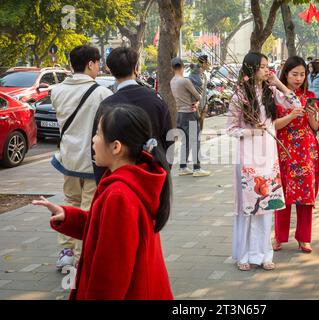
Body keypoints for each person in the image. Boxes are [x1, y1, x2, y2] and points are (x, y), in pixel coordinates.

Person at [34, 105, 173, 300]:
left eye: (98, 134)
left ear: (116, 147)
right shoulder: (133, 180)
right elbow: (104, 231)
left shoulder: (119, 195)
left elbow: (110, 274)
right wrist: (69, 216)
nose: (93, 140)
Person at [50, 45, 113, 270]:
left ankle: (65, 251)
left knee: (68, 203)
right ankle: (80, 257)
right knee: (88, 210)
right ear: (90, 64)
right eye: (97, 63)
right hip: (92, 162)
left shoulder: (56, 91)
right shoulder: (103, 93)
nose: (99, 67)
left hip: (68, 161)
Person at [226, 52, 290, 271]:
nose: (266, 69)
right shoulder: (239, 96)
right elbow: (231, 129)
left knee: (267, 206)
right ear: (251, 69)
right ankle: (244, 254)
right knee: (248, 207)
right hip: (248, 158)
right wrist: (252, 131)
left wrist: (279, 83)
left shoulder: (271, 93)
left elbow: (295, 103)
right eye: (262, 67)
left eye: (267, 66)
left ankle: (264, 254)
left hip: (269, 157)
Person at [93, 47, 173, 183]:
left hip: (119, 180)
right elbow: (169, 140)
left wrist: (103, 183)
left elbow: (99, 148)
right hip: (152, 176)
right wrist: (163, 172)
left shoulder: (106, 105)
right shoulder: (156, 99)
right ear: (136, 68)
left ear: (110, 70)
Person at [272, 56, 319, 254]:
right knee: (282, 193)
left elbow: (316, 126)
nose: (299, 78)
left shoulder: (309, 96)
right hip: (284, 149)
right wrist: (291, 116)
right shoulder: (276, 95)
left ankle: (304, 238)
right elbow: (272, 125)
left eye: (302, 74)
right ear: (286, 74)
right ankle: (279, 236)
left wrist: (312, 117)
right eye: (294, 74)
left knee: (306, 196)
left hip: (306, 151)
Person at [170, 57, 211, 177]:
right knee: (195, 140)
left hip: (180, 114)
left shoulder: (172, 81)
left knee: (185, 141)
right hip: (189, 113)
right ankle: (197, 168)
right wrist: (197, 101)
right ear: (183, 67)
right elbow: (198, 96)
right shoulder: (185, 81)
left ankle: (183, 167)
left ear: (172, 68)